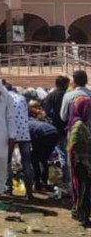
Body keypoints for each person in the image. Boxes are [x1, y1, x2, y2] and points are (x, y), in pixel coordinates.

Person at [4, 83, 34, 200]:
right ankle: (29, 192)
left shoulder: (5, 98)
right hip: (24, 133)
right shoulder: (22, 98)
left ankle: (9, 189)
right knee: (27, 162)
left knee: (8, 161)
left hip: (10, 133)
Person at [68, 97, 91, 228]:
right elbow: (74, 145)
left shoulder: (82, 123)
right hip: (81, 162)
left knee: (85, 189)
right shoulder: (79, 125)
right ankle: (83, 216)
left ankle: (82, 213)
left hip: (85, 161)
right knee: (84, 189)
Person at [44, 75, 70, 185]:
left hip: (54, 129)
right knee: (65, 154)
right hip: (68, 128)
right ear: (65, 84)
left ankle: (54, 178)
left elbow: (47, 111)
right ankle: (67, 179)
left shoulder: (50, 96)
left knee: (57, 154)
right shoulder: (68, 95)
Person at [28, 113, 58, 192]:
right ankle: (44, 183)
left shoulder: (25, 125)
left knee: (34, 159)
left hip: (44, 135)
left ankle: (37, 183)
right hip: (54, 133)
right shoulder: (32, 121)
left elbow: (30, 141)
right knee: (43, 159)